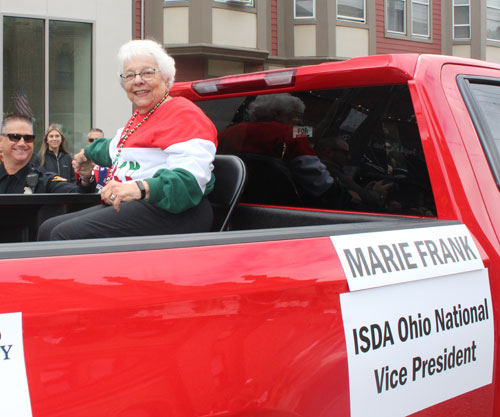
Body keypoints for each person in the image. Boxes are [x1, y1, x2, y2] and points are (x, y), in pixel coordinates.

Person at [38, 39, 217, 241]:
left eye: (147, 73)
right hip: (138, 206)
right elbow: (111, 148)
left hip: (176, 212)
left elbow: (189, 182)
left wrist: (139, 188)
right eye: (130, 75)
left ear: (166, 78)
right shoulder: (141, 117)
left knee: (62, 234)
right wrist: (84, 155)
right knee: (48, 227)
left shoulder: (183, 114)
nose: (137, 80)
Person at [0, 114, 95, 193]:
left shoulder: (44, 181)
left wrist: (86, 178)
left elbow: (78, 194)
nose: (22, 143)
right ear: (1, 141)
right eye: (15, 137)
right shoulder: (40, 157)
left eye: (28, 138)